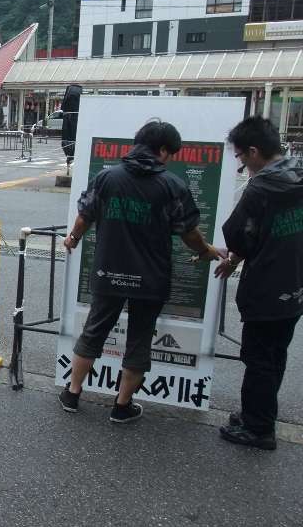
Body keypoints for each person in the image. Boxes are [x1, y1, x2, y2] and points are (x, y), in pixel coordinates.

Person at [59, 119, 220, 422]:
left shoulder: (107, 178)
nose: (169, 159)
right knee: (140, 339)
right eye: (169, 153)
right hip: (151, 277)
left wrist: (73, 238)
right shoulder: (173, 186)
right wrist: (205, 251)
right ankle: (121, 407)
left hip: (109, 272)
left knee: (94, 332)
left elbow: (84, 216)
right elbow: (188, 232)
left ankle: (73, 393)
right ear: (161, 150)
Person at [214, 117, 303, 450]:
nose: (241, 165)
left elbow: (235, 232)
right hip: (294, 286)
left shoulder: (262, 187)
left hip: (266, 288)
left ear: (254, 151)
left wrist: (236, 255)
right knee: (276, 355)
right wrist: (237, 258)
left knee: (258, 358)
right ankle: (260, 413)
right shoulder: (298, 175)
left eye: (240, 157)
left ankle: (258, 429)